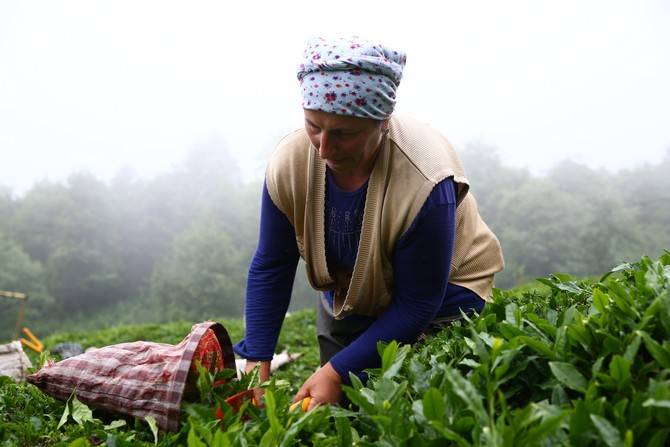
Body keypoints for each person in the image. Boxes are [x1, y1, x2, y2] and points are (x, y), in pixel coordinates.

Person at [233, 36, 504, 410]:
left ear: (381, 123)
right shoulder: (290, 163)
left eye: (344, 134)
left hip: (442, 300)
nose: (323, 149)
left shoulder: (424, 178)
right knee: (336, 407)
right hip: (352, 294)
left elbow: (416, 304)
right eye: (314, 126)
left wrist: (335, 372)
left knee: (407, 406)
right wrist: (256, 362)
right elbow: (272, 264)